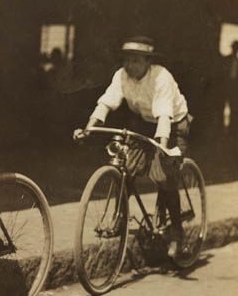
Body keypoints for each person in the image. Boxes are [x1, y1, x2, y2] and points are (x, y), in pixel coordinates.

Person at [74, 36, 192, 257]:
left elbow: (164, 115)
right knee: (126, 168)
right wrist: (88, 129)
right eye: (127, 59)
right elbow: (106, 102)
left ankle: (177, 233)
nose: (130, 65)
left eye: (136, 60)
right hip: (145, 122)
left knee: (164, 176)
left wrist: (162, 149)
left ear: (148, 62)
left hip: (174, 124)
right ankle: (120, 218)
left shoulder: (161, 77)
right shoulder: (121, 76)